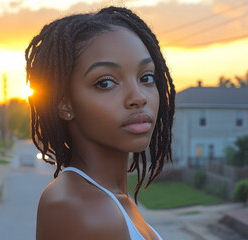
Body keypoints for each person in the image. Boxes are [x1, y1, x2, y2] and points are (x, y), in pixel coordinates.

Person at [25, 6, 175, 240]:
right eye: (105, 83)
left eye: (146, 77)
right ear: (65, 104)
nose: (138, 97)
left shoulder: (111, 200)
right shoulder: (83, 210)